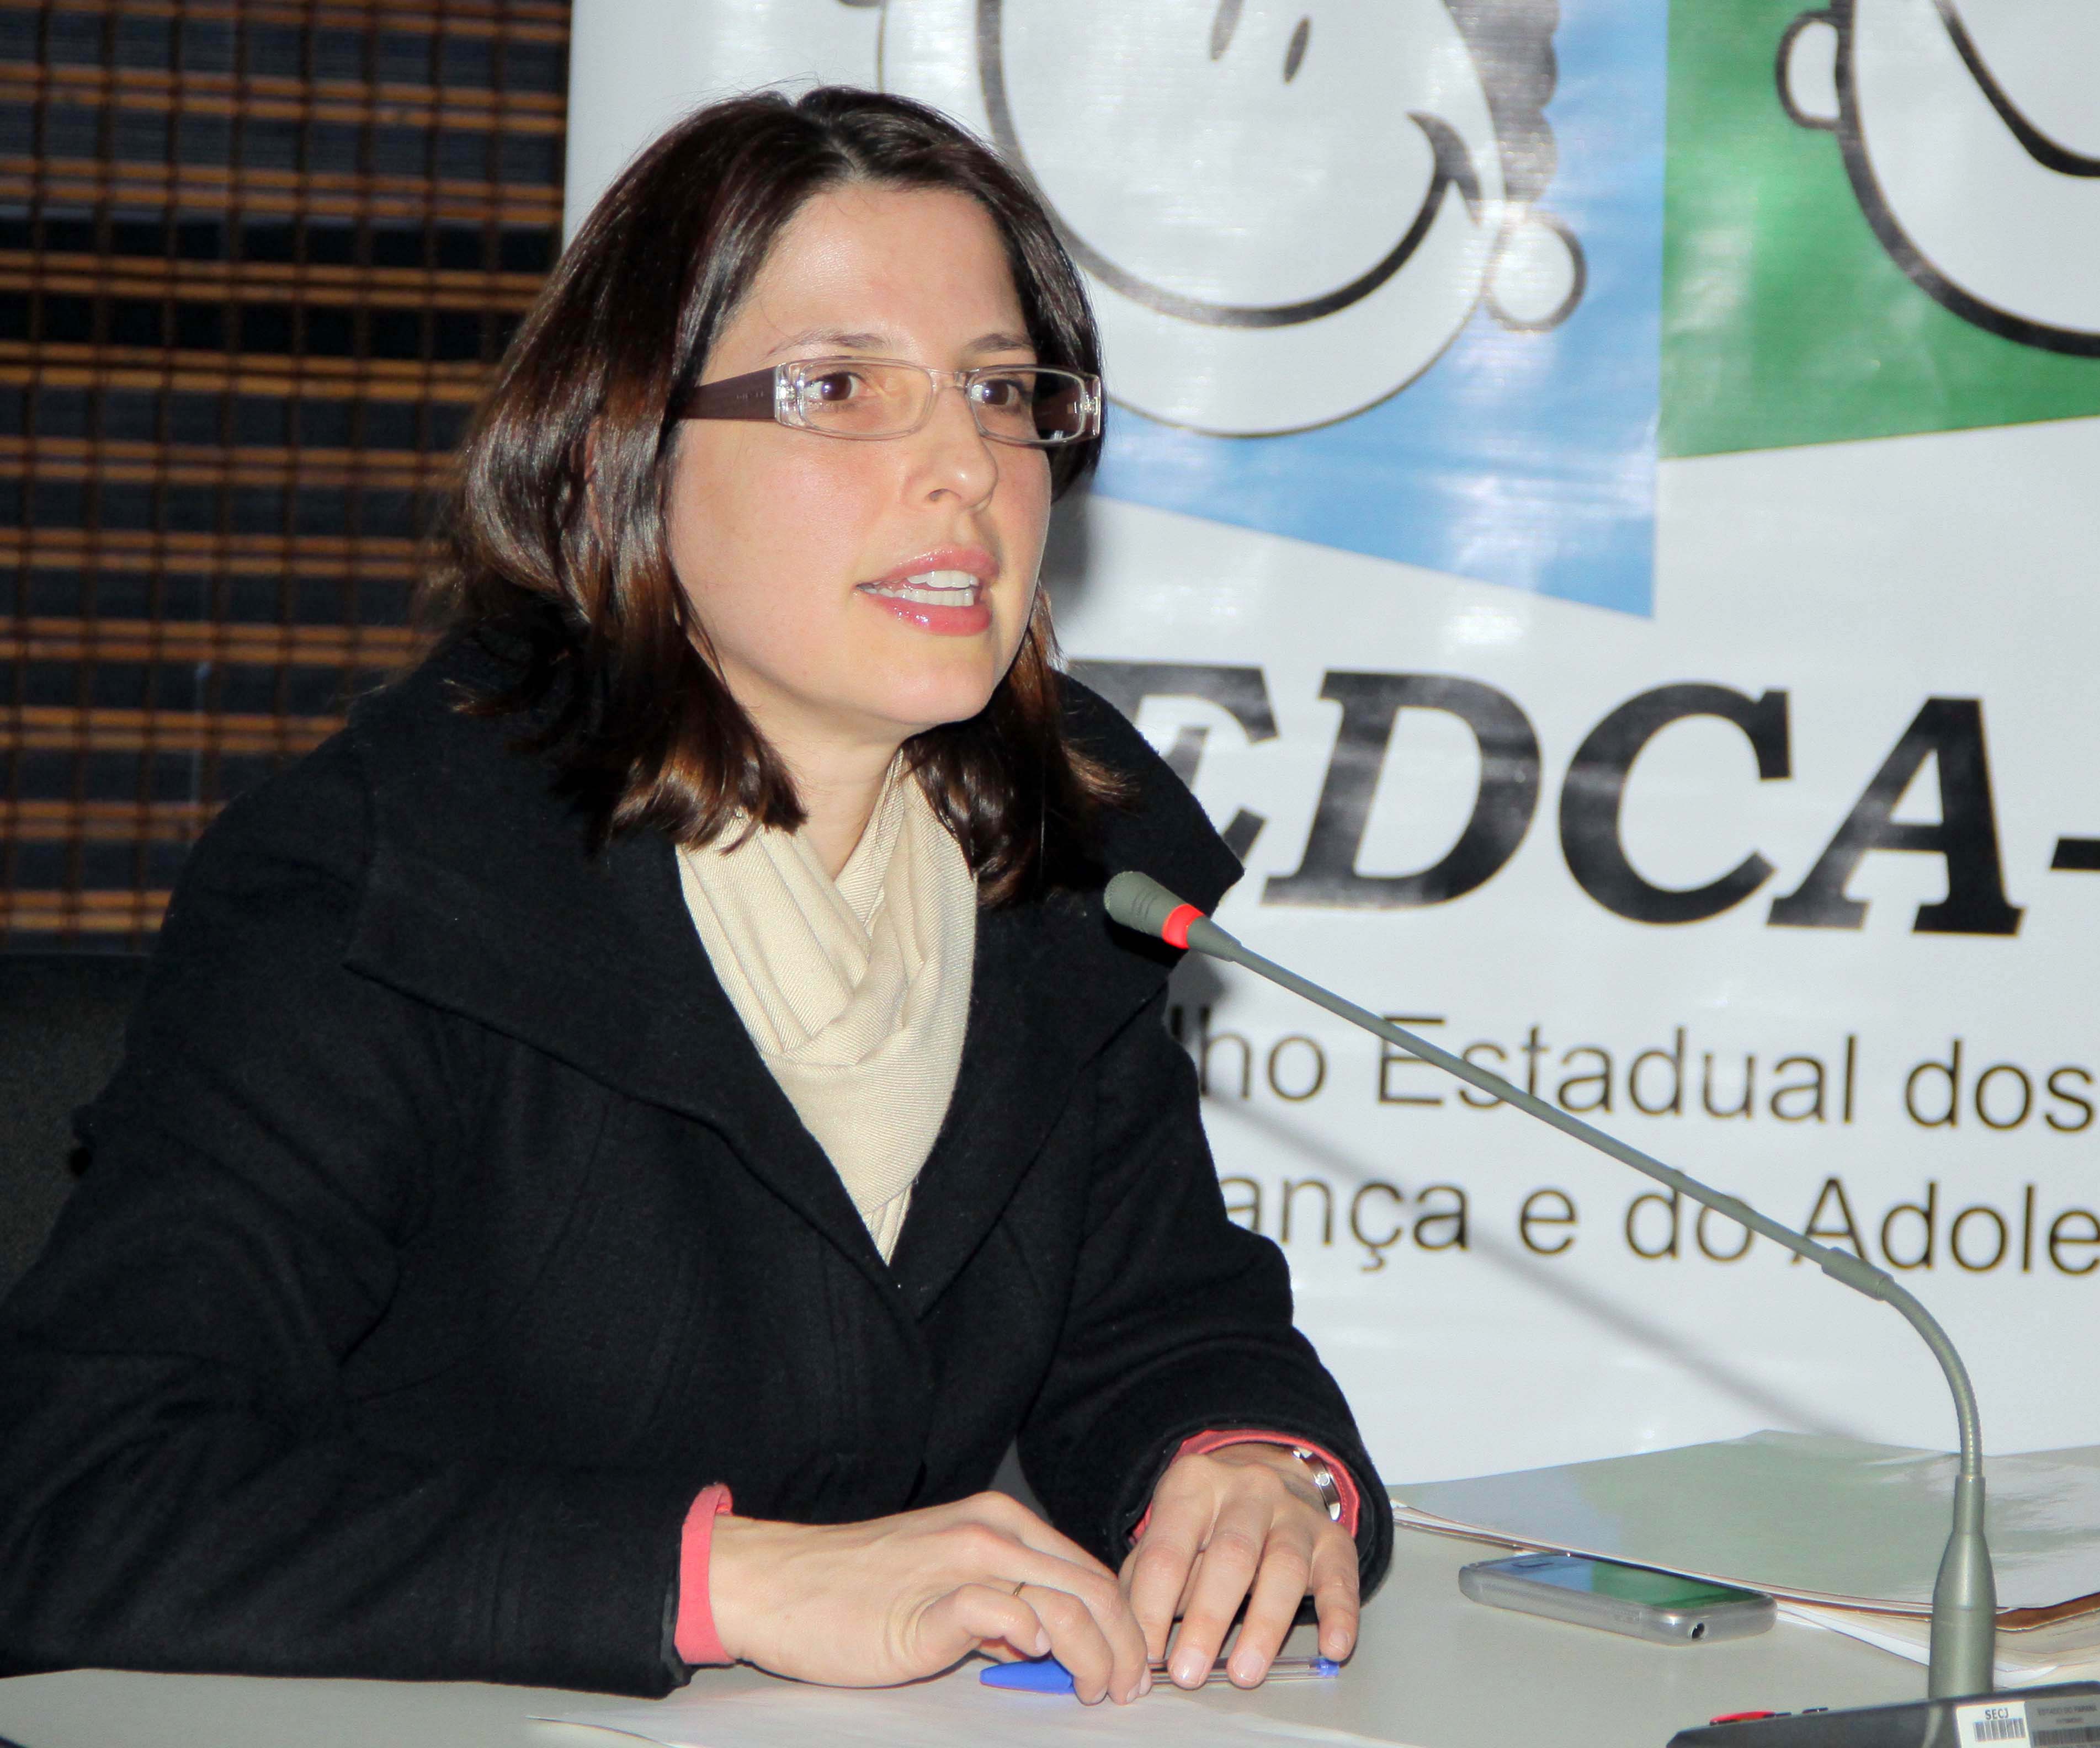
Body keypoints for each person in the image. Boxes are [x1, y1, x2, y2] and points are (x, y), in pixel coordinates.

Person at [0, 89, 1387, 1706]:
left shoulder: (1054, 861)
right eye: (841, 388)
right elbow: (75, 1496)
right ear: (628, 446)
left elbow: (1160, 1320)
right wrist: (726, 1580)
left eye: (1003, 391)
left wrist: (1249, 1461)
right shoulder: (390, 874)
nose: (965, 465)